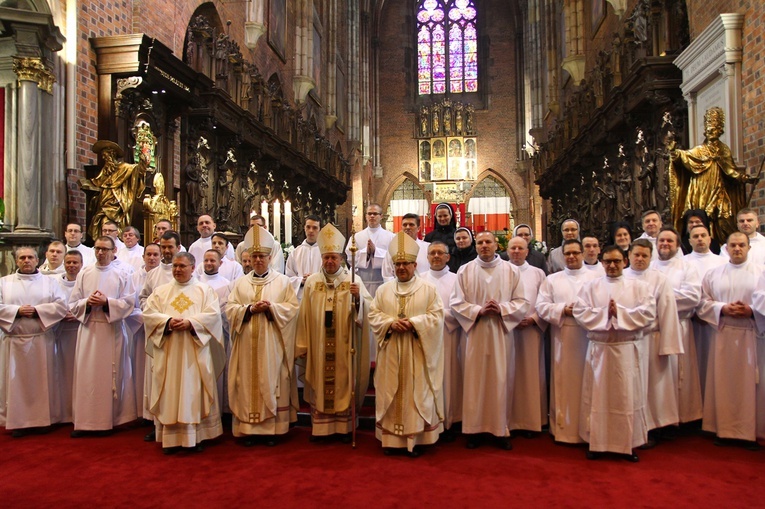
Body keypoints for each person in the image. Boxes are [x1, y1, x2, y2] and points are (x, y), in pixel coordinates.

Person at [573, 245, 657, 461]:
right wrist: (604, 314)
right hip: (600, 350)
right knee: (597, 398)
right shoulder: (590, 286)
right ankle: (596, 442)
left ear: (625, 262)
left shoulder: (639, 287)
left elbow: (648, 313)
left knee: (626, 398)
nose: (612, 265)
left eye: (617, 261)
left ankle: (626, 444)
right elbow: (580, 312)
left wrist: (619, 313)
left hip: (626, 350)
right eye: (608, 261)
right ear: (601, 263)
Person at [451, 231, 529, 450]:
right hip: (474, 333)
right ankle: (473, 430)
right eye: (480, 242)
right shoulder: (465, 271)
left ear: (497, 245)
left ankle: (500, 429)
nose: (484, 245)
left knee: (501, 379)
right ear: (475, 246)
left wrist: (502, 309)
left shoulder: (511, 271)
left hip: (501, 333)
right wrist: (478, 310)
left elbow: (522, 301)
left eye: (488, 242)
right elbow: (456, 302)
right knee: (474, 380)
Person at [369, 231, 444, 457]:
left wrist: (414, 323)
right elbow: (374, 315)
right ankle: (391, 440)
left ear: (414, 265)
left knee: (415, 393)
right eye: (397, 263)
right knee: (390, 390)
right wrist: (390, 324)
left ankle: (415, 439)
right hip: (391, 352)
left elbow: (437, 316)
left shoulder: (428, 290)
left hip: (416, 353)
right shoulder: (383, 290)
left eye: (406, 263)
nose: (401, 267)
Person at [143, 252, 225, 454]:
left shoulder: (204, 291)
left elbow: (213, 316)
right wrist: (167, 323)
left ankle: (195, 437)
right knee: (169, 390)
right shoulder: (161, 292)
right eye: (175, 266)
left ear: (192, 267)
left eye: (182, 266)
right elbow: (149, 314)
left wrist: (192, 323)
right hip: (169, 350)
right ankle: (170, 439)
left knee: (192, 390)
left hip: (194, 351)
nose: (178, 270)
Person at [295, 224, 370, 442]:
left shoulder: (352, 281)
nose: (329, 262)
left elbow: (368, 309)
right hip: (318, 344)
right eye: (326, 257)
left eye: (334, 258)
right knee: (319, 380)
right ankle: (321, 429)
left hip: (344, 345)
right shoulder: (312, 282)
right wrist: (302, 344)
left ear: (341, 259)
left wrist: (358, 299)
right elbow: (304, 315)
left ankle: (344, 428)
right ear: (322, 258)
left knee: (344, 381)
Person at [226, 226, 299, 446]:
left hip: (272, 343)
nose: (258, 260)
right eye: (254, 256)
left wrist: (271, 309)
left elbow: (293, 308)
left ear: (270, 257)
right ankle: (248, 429)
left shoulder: (282, 282)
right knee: (246, 381)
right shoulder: (240, 283)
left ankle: (272, 430)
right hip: (247, 342)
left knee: (272, 380)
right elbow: (230, 309)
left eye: (262, 257)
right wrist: (248, 310)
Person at [701, 232, 764, 450]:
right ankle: (724, 430)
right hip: (723, 334)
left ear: (749, 248)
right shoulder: (713, 274)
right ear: (726, 248)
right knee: (724, 383)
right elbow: (703, 303)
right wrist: (722, 308)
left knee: (750, 386)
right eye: (733, 245)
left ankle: (749, 433)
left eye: (742, 245)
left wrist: (751, 311)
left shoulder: (760, 273)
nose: (737, 249)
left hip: (750, 335)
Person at [69, 236, 137, 437]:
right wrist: (87, 303)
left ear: (113, 250)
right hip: (89, 330)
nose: (100, 253)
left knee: (111, 376)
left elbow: (129, 303)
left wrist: (107, 302)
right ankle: (85, 421)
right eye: (97, 249)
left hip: (111, 330)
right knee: (86, 376)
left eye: (105, 249)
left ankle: (111, 420)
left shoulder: (122, 274)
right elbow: (73, 303)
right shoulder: (85, 273)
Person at [537, 239, 600, 444]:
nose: (571, 257)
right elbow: (542, 306)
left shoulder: (596, 277)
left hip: (590, 339)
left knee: (590, 384)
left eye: (575, 253)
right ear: (562, 255)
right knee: (564, 384)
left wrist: (585, 313)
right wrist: (562, 310)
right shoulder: (552, 280)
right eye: (567, 253)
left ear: (583, 254)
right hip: (563, 338)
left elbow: (604, 307)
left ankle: (590, 430)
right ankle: (563, 431)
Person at [0, 247, 67, 436]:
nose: (26, 261)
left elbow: (61, 306)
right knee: (16, 383)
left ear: (37, 260)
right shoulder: (4, 283)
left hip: (40, 341)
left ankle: (43, 420)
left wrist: (38, 311)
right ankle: (18, 421)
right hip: (14, 342)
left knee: (43, 381)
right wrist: (17, 312)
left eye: (30, 257)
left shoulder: (50, 283)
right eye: (22, 258)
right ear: (16, 261)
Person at [624, 239, 683, 446]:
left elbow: (668, 312)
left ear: (651, 257)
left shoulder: (660, 279)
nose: (640, 259)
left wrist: (668, 345)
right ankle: (633, 426)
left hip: (652, 339)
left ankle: (653, 426)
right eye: (636, 255)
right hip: (627, 340)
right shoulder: (620, 277)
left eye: (644, 256)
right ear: (629, 255)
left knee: (653, 387)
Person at [668, 106, 757, 244]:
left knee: (724, 219)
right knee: (701, 218)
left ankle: (724, 245)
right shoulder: (699, 150)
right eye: (709, 129)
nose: (710, 132)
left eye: (714, 129)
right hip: (700, 190)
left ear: (719, 131)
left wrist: (745, 178)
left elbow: (731, 171)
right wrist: (674, 152)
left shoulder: (723, 150)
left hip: (719, 190)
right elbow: (684, 157)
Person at [651, 227, 703, 426]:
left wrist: (662, 298)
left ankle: (683, 417)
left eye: (669, 241)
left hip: (679, 326)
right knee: (660, 376)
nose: (664, 244)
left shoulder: (687, 267)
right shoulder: (650, 267)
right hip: (656, 329)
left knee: (680, 373)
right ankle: (662, 418)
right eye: (661, 241)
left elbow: (692, 297)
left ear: (678, 245)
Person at [506, 237, 548, 436]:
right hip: (507, 329)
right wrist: (510, 318)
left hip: (531, 330)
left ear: (527, 251)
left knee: (531, 375)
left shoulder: (537, 273)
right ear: (507, 250)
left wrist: (533, 319)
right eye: (512, 248)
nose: (516, 251)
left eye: (520, 248)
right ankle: (508, 419)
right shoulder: (502, 271)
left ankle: (531, 421)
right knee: (508, 373)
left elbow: (544, 301)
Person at [421, 240, 462, 439]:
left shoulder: (457, 280)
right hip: (424, 337)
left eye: (440, 253)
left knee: (449, 376)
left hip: (449, 335)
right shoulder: (418, 280)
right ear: (427, 257)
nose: (436, 256)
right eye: (432, 253)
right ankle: (429, 420)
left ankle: (450, 418)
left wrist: (438, 316)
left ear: (448, 257)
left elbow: (461, 307)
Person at [684, 223, 726, 397]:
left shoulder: (722, 261)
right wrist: (695, 312)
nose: (700, 239)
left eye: (703, 235)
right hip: (690, 321)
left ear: (710, 238)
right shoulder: (683, 262)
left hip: (716, 321)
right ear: (689, 241)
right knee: (692, 364)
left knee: (715, 363)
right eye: (695, 236)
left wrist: (709, 312)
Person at [86, 139, 150, 241]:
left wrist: (142, 161)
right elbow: (98, 182)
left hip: (118, 204)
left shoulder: (124, 167)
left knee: (109, 224)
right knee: (100, 223)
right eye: (102, 155)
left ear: (112, 154)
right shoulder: (106, 170)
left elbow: (138, 171)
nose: (103, 158)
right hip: (104, 203)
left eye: (105, 155)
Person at [197, 249, 232, 414]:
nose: (209, 263)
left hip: (218, 335)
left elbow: (226, 312)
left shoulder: (227, 284)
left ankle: (219, 410)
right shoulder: (195, 282)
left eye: (212, 260)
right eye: (206, 260)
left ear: (220, 263)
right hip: (198, 335)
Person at [52, 250, 84, 423]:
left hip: (81, 333)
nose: (72, 266)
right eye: (69, 262)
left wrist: (78, 314)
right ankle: (62, 412)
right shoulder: (54, 282)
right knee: (62, 373)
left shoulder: (86, 280)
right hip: (61, 333)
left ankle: (78, 412)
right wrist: (60, 314)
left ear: (81, 264)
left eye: (75, 263)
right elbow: (51, 304)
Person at [345, 204, 395, 298]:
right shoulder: (356, 236)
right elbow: (350, 258)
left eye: (375, 214)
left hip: (382, 282)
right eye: (369, 213)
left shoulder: (390, 237)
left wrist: (376, 251)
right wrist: (366, 253)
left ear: (381, 216)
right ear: (366, 216)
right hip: (362, 283)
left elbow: (393, 259)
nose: (372, 216)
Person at [382, 213, 430, 281]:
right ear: (401, 227)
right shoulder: (393, 248)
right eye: (405, 225)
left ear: (418, 228)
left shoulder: (428, 248)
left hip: (422, 288)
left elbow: (432, 272)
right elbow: (387, 274)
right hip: (399, 289)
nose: (407, 227)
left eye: (411, 225)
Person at [285, 215, 323, 300]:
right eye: (308, 227)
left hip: (320, 296)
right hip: (300, 297)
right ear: (304, 228)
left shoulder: (324, 252)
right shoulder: (295, 252)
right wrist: (301, 281)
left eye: (315, 228)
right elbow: (288, 277)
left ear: (320, 230)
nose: (311, 231)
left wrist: (315, 278)